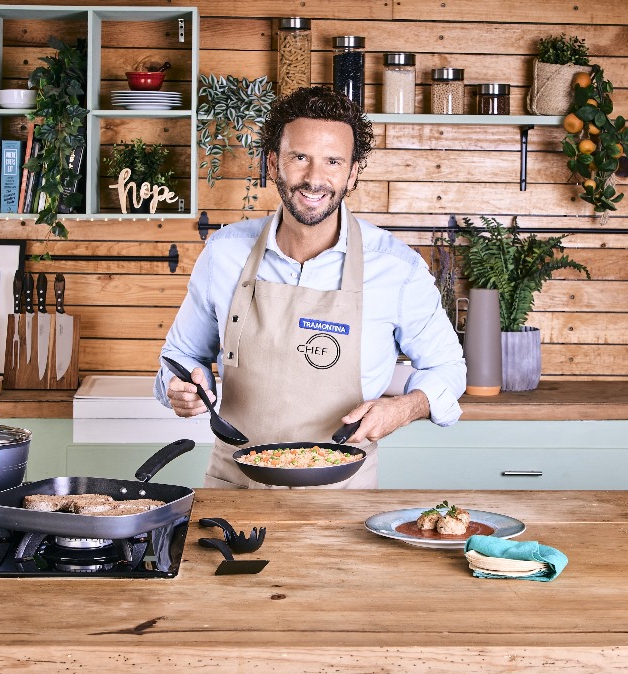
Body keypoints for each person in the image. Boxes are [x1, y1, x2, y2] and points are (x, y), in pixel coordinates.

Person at [155, 86, 465, 489]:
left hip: (344, 494)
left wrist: (405, 407)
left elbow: (448, 367)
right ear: (273, 162)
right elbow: (180, 357)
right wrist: (180, 389)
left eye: (333, 161)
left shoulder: (397, 268)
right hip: (235, 487)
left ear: (352, 172)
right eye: (299, 157)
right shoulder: (224, 254)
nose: (315, 178)